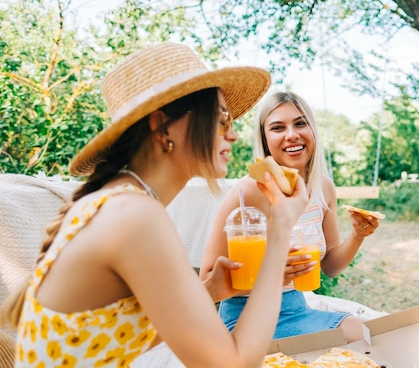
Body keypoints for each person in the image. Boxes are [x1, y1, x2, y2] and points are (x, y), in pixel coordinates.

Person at [0, 43, 309, 368]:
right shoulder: (133, 215)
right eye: (221, 119)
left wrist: (212, 291)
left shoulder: (120, 201)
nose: (232, 134)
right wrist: (280, 228)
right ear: (162, 125)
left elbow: (113, 332)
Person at [200, 91, 380, 343]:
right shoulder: (248, 191)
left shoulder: (322, 188)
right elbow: (207, 279)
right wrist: (271, 274)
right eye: (277, 127)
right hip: (246, 316)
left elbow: (329, 266)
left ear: (312, 130)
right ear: (265, 138)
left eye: (300, 123)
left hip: (298, 309)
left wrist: (358, 236)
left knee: (377, 335)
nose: (291, 134)